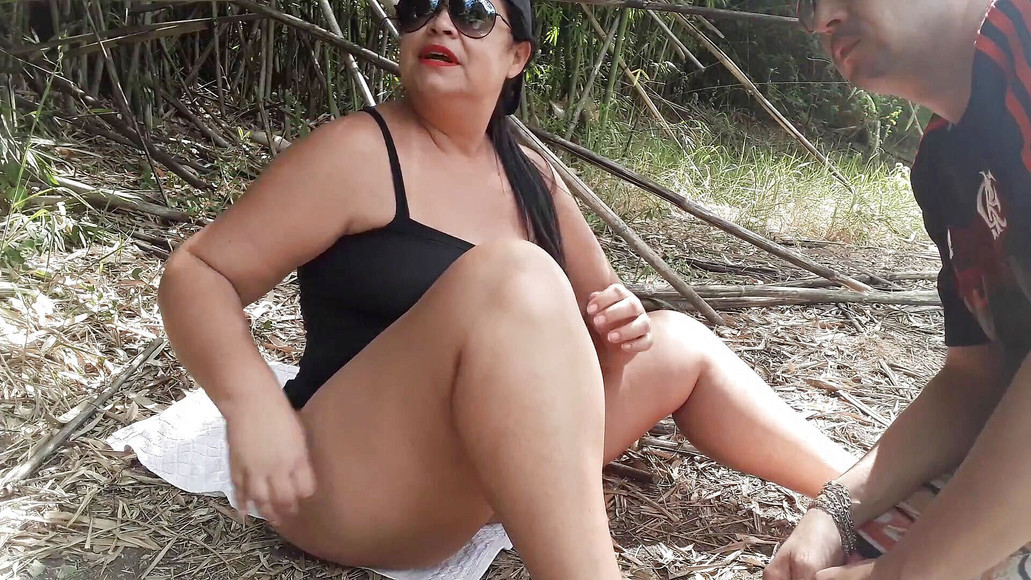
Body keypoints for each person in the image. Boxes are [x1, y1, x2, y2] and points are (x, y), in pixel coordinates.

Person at [156, 0, 855, 576]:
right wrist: (253, 406)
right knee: (515, 275)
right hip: (347, 483)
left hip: (480, 476)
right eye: (419, 7)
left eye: (469, 12)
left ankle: (869, 493)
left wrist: (622, 326)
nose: (439, 23)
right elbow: (199, 272)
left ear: (516, 55)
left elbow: (607, 325)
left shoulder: (532, 179)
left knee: (678, 342)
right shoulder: (358, 153)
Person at [765, 1, 1031, 579]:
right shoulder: (942, 163)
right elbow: (974, 379)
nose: (819, 20)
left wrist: (904, 573)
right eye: (804, 4)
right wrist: (834, 512)